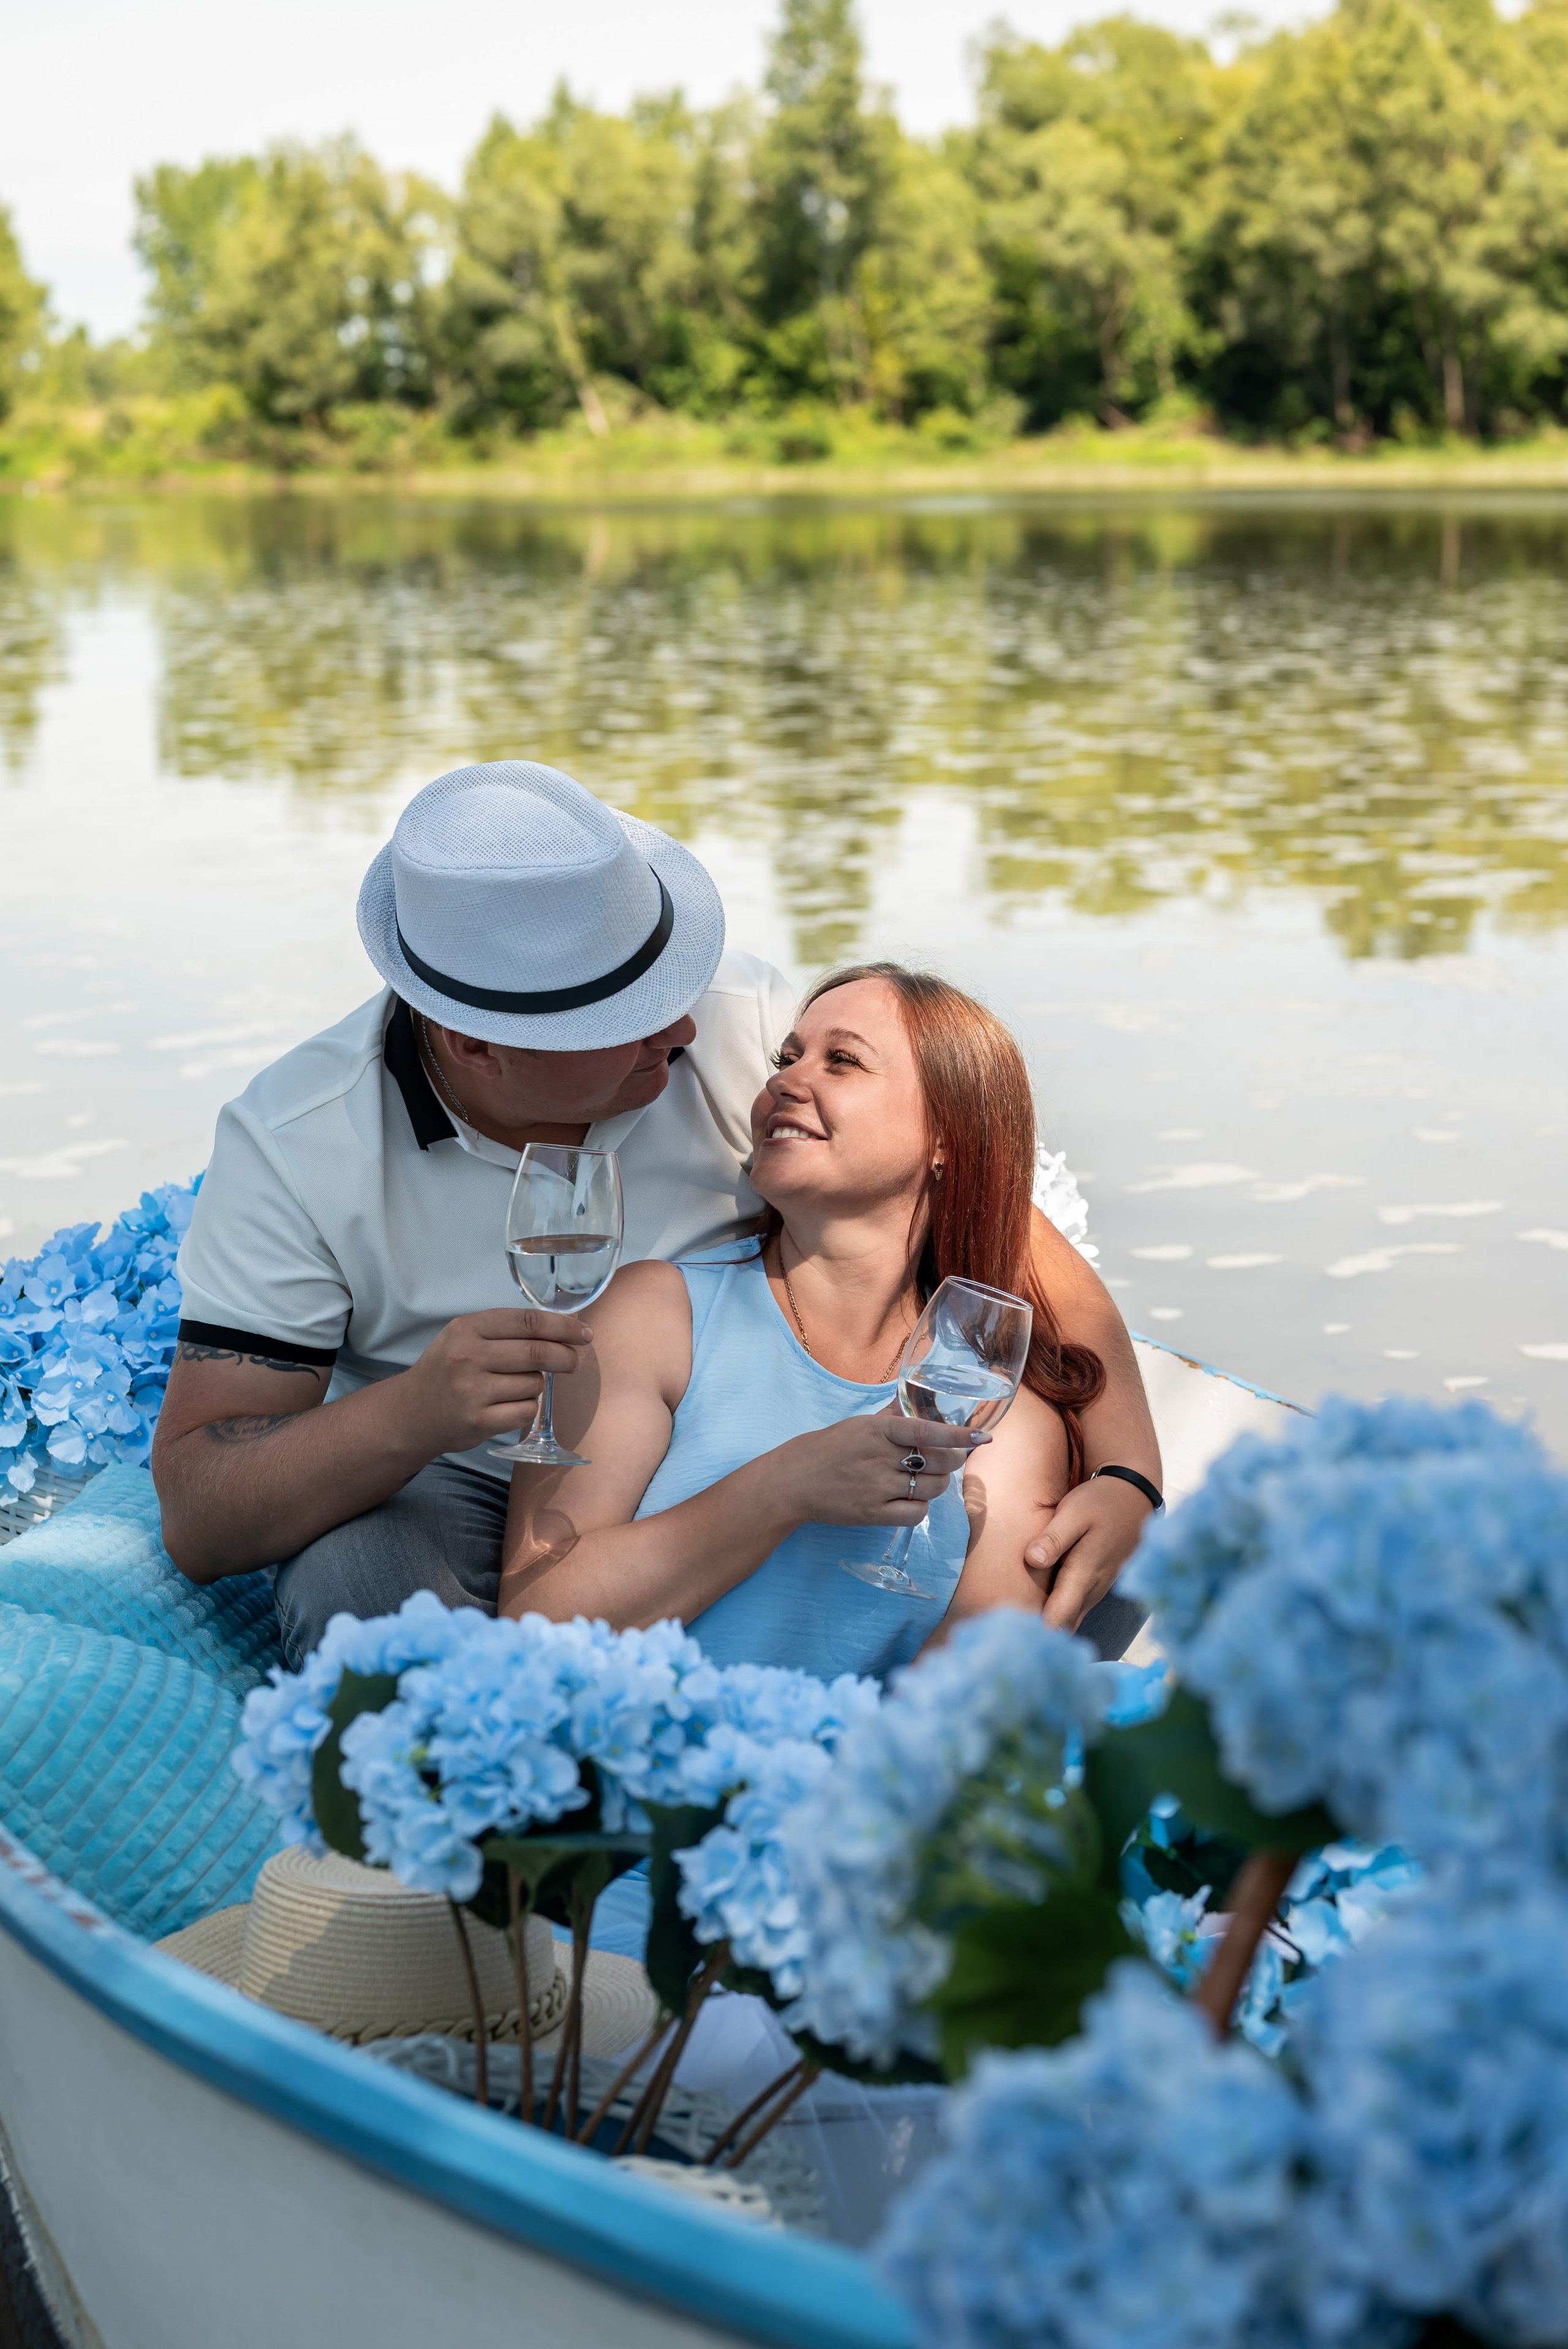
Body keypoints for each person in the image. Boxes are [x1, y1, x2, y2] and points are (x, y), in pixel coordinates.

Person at [151, 761, 1161, 1667]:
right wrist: (416, 1412)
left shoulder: (742, 1027)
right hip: (448, 1471)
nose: (680, 1027)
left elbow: (997, 1229)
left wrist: (1130, 1475)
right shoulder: (297, 1146)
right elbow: (201, 1512)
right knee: (357, 1584)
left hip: (705, 1430)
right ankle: (469, 1838)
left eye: (672, 986)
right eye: (627, 1020)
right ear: (475, 1046)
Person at [499, 964, 1129, 1680]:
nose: (786, 1082)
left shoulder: (1001, 1418)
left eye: (843, 1061)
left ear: (946, 1138)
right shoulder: (650, 1316)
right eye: (787, 1058)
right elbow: (534, 1623)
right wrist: (782, 1488)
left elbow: (965, 1706)